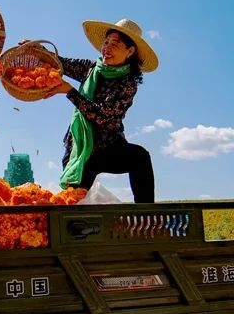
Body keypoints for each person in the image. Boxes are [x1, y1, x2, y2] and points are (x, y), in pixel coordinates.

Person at [47, 18, 159, 203]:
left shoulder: (127, 83)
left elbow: (103, 116)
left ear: (130, 51)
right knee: (73, 202)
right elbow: (58, 62)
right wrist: (36, 51)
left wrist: (70, 92)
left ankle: (146, 214)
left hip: (108, 148)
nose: (107, 48)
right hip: (80, 148)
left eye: (115, 44)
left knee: (140, 157)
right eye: (106, 42)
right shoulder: (91, 68)